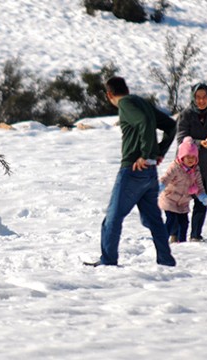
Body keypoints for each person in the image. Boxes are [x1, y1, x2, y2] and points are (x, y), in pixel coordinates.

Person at [84, 76, 176, 267]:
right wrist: (157, 152)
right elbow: (170, 125)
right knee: (154, 220)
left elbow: (142, 121)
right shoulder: (140, 101)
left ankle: (108, 261)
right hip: (149, 172)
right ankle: (166, 261)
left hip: (133, 170)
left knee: (112, 218)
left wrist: (146, 154)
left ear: (109, 94)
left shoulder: (125, 104)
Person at [173, 82, 207, 242]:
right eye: (198, 97)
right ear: (193, 98)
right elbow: (181, 139)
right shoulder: (185, 115)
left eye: (205, 97)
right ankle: (176, 234)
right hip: (186, 164)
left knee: (202, 199)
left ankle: (196, 234)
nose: (201, 101)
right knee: (181, 200)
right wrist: (199, 142)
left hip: (206, 164)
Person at [158, 137, 207, 244]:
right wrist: (160, 186)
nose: (191, 159)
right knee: (171, 221)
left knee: (184, 222)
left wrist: (203, 196)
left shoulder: (195, 170)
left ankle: (182, 243)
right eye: (188, 157)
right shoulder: (175, 167)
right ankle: (162, 240)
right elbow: (166, 177)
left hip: (183, 202)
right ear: (182, 157)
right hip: (170, 199)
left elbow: (199, 186)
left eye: (193, 157)